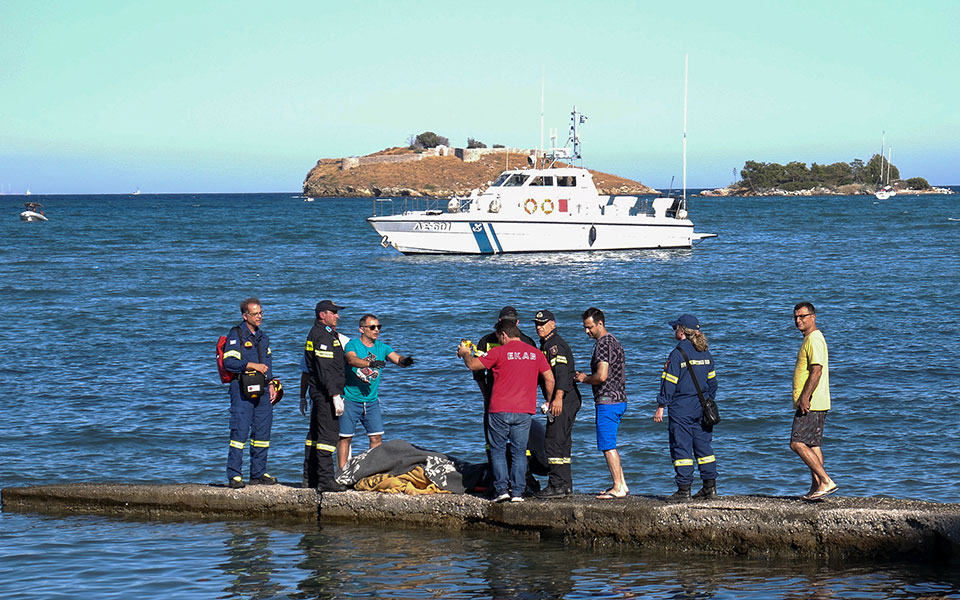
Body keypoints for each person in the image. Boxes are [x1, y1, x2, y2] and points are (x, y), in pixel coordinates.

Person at [459, 320, 555, 502]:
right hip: (524, 410)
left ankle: (501, 490)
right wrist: (549, 400)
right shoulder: (534, 353)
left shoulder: (498, 352)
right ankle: (518, 492)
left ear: (504, 335)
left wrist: (465, 353)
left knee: (498, 450)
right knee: (519, 451)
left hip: (499, 409)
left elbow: (473, 365)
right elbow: (549, 379)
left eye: (499, 337)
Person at [653, 314, 718, 502]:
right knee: (704, 447)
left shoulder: (677, 354)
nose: (674, 331)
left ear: (682, 332)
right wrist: (707, 401)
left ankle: (684, 490)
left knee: (681, 448)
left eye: (675, 328)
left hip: (682, 407)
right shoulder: (705, 353)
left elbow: (669, 383)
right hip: (702, 407)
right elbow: (713, 384)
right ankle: (709, 488)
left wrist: (661, 406)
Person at [337, 313, 414, 469]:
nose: (376, 330)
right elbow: (351, 359)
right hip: (351, 399)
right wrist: (369, 364)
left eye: (379, 327)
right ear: (361, 329)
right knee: (345, 438)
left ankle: (373, 471)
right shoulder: (353, 345)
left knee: (376, 438)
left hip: (371, 401)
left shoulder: (382, 347)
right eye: (372, 327)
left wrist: (405, 361)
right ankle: (342, 472)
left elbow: (397, 359)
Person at [222, 298, 280, 489]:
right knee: (239, 431)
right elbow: (229, 362)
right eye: (255, 314)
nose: (259, 317)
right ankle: (235, 475)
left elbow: (268, 364)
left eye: (261, 313)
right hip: (242, 389)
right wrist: (250, 365)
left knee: (262, 434)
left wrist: (271, 383)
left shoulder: (263, 337)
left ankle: (258, 473)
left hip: (263, 390)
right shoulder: (236, 334)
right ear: (245, 316)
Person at [574, 307, 629, 499]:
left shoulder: (603, 344)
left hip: (608, 401)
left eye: (589, 327)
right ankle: (622, 483)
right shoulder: (615, 341)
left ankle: (617, 487)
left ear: (600, 324)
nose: (586, 332)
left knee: (607, 444)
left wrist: (584, 378)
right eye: (585, 328)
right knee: (610, 442)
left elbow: (601, 375)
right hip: (620, 399)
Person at [532, 309, 582, 499]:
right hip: (565, 399)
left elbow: (561, 373)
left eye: (543, 323)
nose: (539, 327)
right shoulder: (546, 344)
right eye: (537, 324)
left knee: (552, 442)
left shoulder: (554, 345)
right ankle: (566, 484)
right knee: (562, 443)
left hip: (564, 399)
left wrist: (557, 398)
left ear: (553, 324)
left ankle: (556, 485)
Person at [791, 302, 837, 500]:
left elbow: (816, 371)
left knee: (797, 443)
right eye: (796, 317)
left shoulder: (814, 339)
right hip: (817, 402)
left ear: (813, 317)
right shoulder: (811, 339)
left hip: (812, 402)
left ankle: (826, 480)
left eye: (802, 316)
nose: (798, 320)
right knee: (813, 444)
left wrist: (804, 397)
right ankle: (817, 488)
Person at [303, 299, 348, 492]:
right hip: (325, 393)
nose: (337, 316)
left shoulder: (324, 333)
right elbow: (324, 369)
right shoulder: (322, 336)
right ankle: (325, 480)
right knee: (327, 437)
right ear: (323, 314)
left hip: (320, 392)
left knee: (314, 436)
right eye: (333, 312)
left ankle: (310, 478)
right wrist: (335, 394)